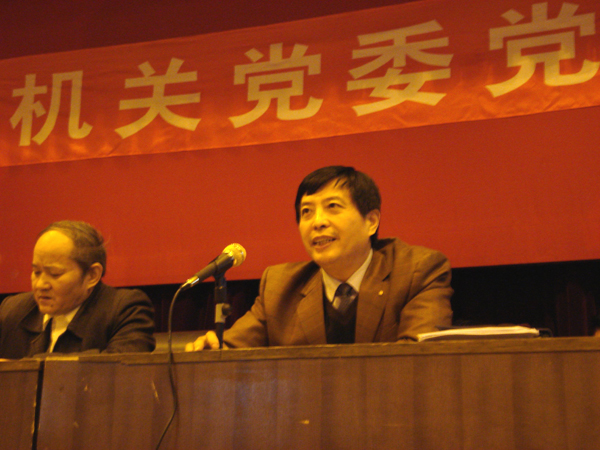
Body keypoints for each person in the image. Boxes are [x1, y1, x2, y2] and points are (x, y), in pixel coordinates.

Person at [186, 166, 453, 350]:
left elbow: (421, 359)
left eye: (332, 207)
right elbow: (233, 349)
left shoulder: (417, 271)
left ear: (371, 222)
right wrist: (214, 349)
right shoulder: (280, 287)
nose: (317, 222)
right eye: (307, 212)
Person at [0, 221, 155, 359]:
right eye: (36, 272)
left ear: (92, 275)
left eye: (55, 274)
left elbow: (119, 368)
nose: (40, 285)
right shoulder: (12, 311)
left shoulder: (126, 310)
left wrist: (18, 368)